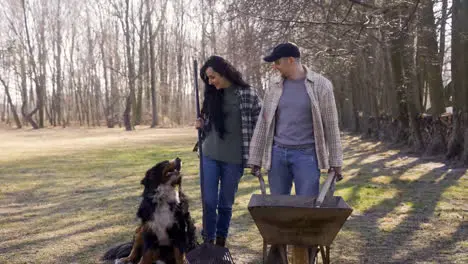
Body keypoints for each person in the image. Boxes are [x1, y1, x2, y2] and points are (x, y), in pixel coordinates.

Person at [248, 42, 343, 197]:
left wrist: (336, 162)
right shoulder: (274, 85)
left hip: (307, 156)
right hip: (277, 155)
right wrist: (255, 157)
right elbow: (263, 122)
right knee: (278, 207)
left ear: (291, 60)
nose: (274, 67)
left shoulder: (321, 85)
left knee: (306, 209)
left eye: (277, 62)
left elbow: (331, 126)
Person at [195, 55, 262, 247]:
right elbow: (209, 127)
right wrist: (202, 124)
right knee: (209, 202)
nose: (210, 81)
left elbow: (262, 125)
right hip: (209, 155)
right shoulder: (211, 95)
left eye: (213, 76)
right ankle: (208, 241)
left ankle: (220, 242)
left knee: (225, 204)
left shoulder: (247, 94)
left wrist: (259, 155)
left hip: (234, 159)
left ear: (224, 72)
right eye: (207, 78)